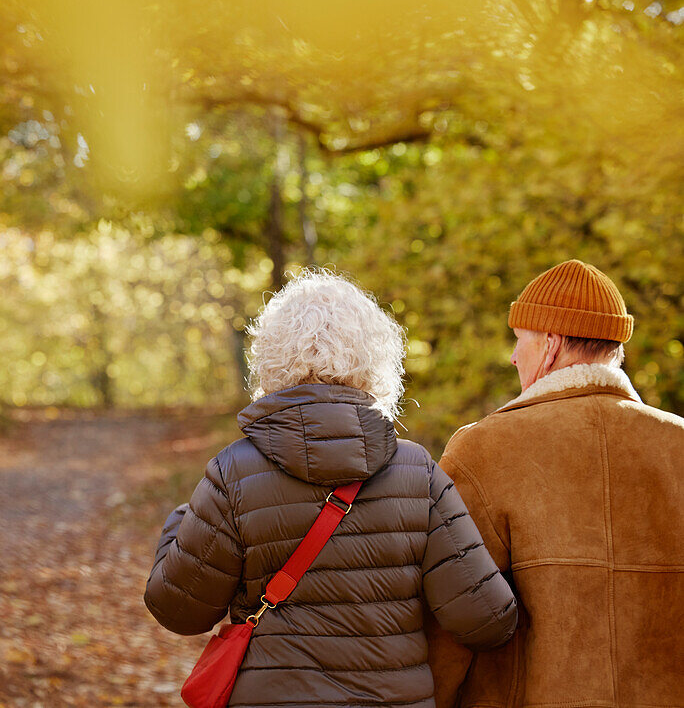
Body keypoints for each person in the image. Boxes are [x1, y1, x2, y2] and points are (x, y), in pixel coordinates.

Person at [144, 269, 517, 707]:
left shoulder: (233, 473)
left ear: (270, 358)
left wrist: (177, 525)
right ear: (375, 359)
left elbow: (179, 610)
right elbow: (487, 620)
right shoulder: (419, 472)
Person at [427, 259, 684, 707]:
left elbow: (448, 619)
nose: (512, 356)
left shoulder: (483, 450)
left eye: (519, 340)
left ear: (551, 343)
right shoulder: (677, 445)